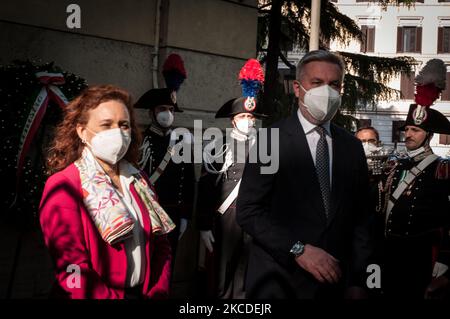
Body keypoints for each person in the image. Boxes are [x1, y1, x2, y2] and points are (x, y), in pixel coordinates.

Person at [236, 50, 372, 299]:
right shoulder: (271, 140)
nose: (327, 92)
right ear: (298, 89)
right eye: (317, 83)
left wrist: (359, 281)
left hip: (333, 285)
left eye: (334, 84)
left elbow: (362, 219)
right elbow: (249, 211)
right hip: (278, 282)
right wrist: (297, 250)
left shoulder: (352, 147)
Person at [39, 85, 174, 299]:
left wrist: (158, 291)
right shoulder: (64, 185)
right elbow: (72, 270)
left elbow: (162, 245)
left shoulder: (139, 180)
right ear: (82, 131)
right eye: (106, 125)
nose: (118, 133)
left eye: (124, 125)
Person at [380, 59, 450, 298]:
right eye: (407, 129)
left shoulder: (441, 169)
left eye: (415, 130)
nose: (408, 134)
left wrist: (445, 256)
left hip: (420, 254)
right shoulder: (395, 165)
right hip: (389, 251)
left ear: (428, 135)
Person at [197, 59, 265, 299]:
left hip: (255, 217)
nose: (249, 120)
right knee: (222, 274)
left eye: (252, 117)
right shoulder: (219, 147)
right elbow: (206, 188)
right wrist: (204, 225)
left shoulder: (266, 147)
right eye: (244, 116)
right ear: (233, 120)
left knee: (246, 274)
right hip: (227, 217)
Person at [134, 88, 196, 258]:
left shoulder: (182, 141)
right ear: (151, 113)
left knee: (169, 261)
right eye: (162, 109)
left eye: (171, 109)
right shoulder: (140, 141)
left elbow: (190, 181)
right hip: (147, 212)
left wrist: (185, 216)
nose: (167, 113)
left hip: (174, 215)